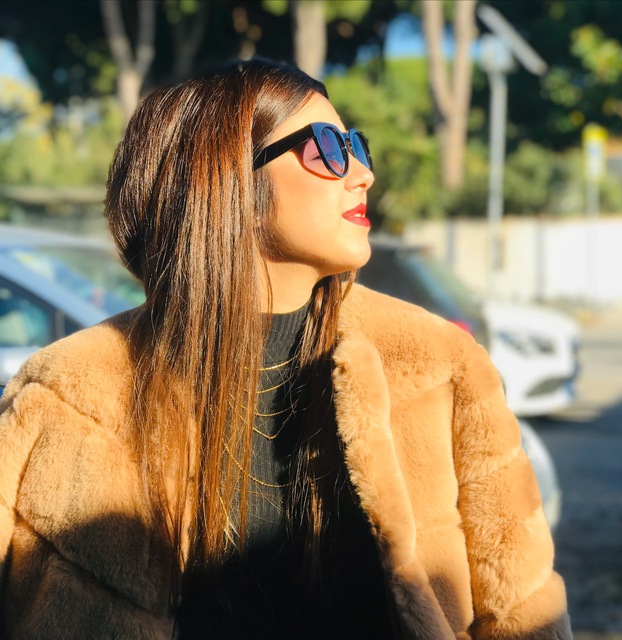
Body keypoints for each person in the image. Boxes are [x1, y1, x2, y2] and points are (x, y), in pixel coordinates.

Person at [0, 59, 572, 639]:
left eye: (357, 146)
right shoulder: (67, 395)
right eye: (327, 147)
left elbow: (523, 610)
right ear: (222, 178)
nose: (362, 173)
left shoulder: (438, 365)